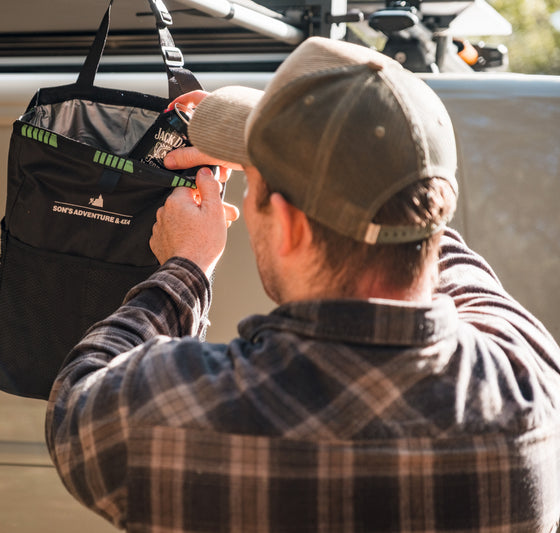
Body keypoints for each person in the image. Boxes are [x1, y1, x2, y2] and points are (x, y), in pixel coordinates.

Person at [45, 36, 560, 532]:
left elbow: (76, 401)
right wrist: (314, 158)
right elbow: (437, 244)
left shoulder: (173, 417)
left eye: (253, 184)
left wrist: (185, 266)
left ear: (291, 226)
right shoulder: (533, 390)